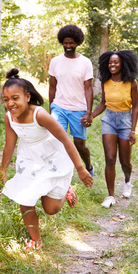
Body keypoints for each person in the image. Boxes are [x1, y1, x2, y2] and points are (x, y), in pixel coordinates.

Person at [0, 68, 94, 250]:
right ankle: (36, 239)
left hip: (52, 159)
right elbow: (9, 146)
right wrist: (2, 169)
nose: (10, 103)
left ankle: (65, 189)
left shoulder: (39, 114)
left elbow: (66, 140)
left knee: (51, 209)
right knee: (25, 199)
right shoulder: (9, 118)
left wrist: (81, 169)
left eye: (15, 98)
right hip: (29, 160)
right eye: (6, 99)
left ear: (27, 96)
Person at [91, 50, 138, 208]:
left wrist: (133, 130)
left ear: (123, 64)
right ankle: (110, 196)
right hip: (109, 120)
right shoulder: (106, 82)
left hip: (125, 121)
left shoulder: (131, 82)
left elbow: (135, 107)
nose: (112, 65)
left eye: (116, 62)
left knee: (125, 161)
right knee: (110, 158)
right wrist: (91, 116)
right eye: (110, 62)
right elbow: (103, 103)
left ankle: (127, 181)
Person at [48, 24, 94, 176]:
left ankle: (88, 167)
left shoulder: (85, 63)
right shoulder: (55, 61)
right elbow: (52, 86)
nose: (68, 46)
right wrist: (51, 108)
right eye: (65, 43)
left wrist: (89, 112)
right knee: (57, 141)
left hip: (78, 109)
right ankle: (59, 172)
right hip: (59, 107)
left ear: (77, 42)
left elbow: (88, 88)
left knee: (80, 145)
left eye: (71, 43)